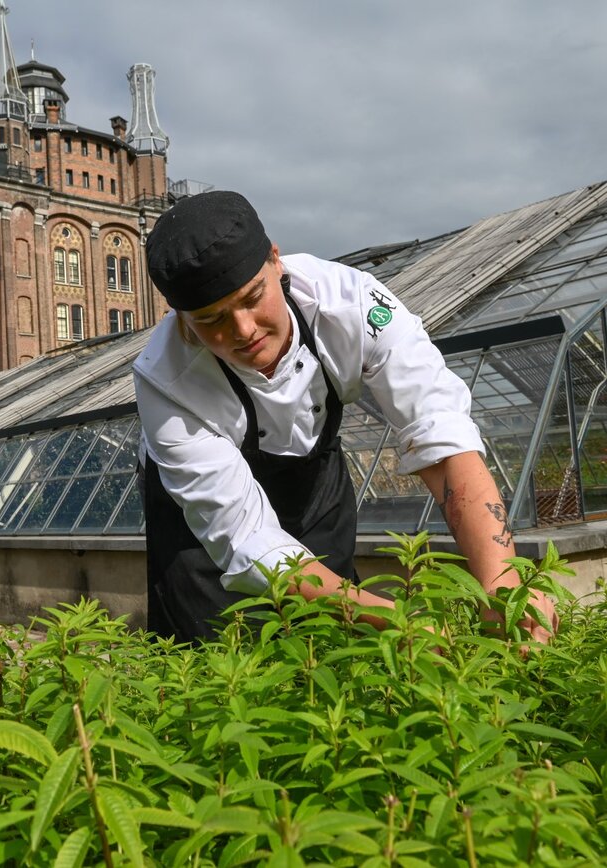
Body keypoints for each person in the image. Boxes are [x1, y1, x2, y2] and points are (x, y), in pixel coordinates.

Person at [133, 190, 557, 643]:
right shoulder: (166, 381)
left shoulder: (353, 305)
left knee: (334, 642)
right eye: (211, 320)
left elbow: (442, 435)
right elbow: (246, 538)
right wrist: (400, 623)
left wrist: (503, 588)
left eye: (253, 297)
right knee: (214, 651)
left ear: (276, 260)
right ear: (181, 319)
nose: (244, 330)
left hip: (314, 482)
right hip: (199, 525)